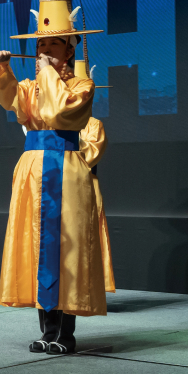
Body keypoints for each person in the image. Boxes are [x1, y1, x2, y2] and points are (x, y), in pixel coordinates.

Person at [0, 0, 105, 354]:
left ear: (69, 50)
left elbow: (59, 113)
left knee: (66, 247)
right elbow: (8, 99)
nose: (44, 52)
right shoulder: (32, 86)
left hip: (66, 170)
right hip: (33, 170)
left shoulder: (82, 86)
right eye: (41, 45)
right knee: (37, 246)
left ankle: (65, 333)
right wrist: (3, 68)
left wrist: (48, 75)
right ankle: (46, 330)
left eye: (53, 45)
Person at [73, 55, 116, 296]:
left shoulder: (93, 125)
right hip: (55, 185)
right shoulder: (50, 122)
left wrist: (66, 135)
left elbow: (89, 155)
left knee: (85, 235)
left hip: (85, 185)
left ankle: (86, 288)